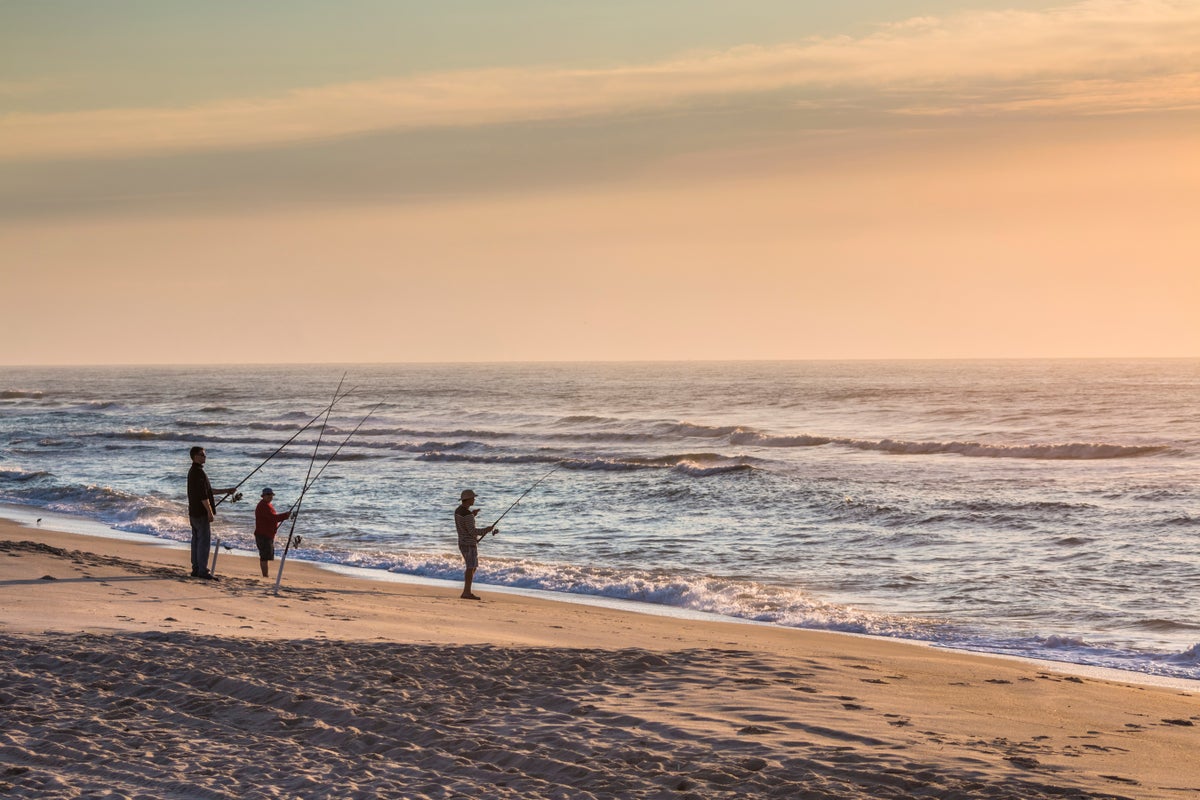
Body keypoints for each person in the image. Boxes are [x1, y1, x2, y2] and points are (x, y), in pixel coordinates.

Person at [186, 446, 236, 579]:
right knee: (203, 542)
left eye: (204, 455)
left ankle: (196, 569)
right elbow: (204, 496)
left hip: (193, 512)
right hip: (201, 513)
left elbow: (208, 490)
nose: (205, 457)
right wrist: (209, 512)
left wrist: (227, 490)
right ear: (195, 456)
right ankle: (202, 571)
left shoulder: (193, 472)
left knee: (196, 541)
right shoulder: (199, 473)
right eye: (202, 455)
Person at [454, 489, 495, 600]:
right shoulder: (467, 515)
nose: (474, 499)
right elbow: (472, 531)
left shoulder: (458, 511)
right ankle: (466, 592)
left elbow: (464, 524)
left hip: (462, 542)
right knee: (471, 567)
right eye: (473, 498)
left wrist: (473, 515)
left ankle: (467, 591)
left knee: (472, 567)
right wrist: (486, 530)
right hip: (469, 544)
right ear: (468, 499)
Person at [254, 487, 291, 578]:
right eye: (268, 495)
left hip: (266, 534)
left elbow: (272, 519)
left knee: (265, 556)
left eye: (271, 495)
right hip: (263, 535)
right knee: (264, 557)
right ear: (263, 496)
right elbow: (273, 518)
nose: (270, 496)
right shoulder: (263, 506)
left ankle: (265, 575)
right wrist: (285, 515)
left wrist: (284, 516)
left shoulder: (267, 505)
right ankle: (265, 575)